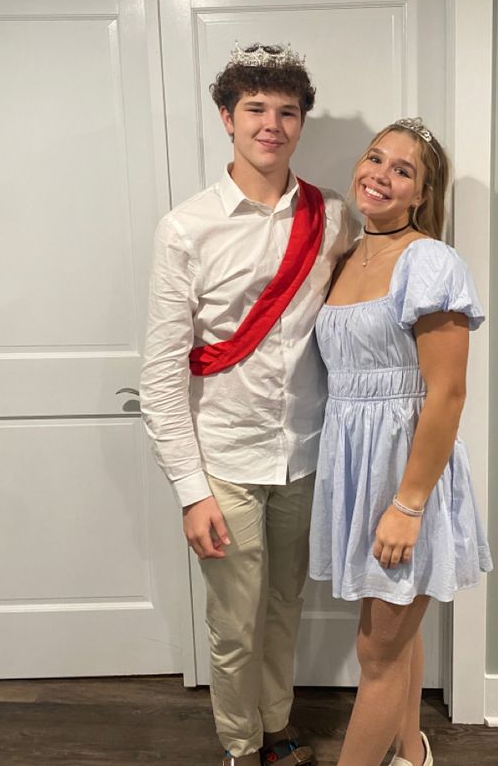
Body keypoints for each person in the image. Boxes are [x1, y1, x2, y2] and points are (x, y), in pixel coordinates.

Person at [140, 43, 358, 766]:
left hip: (302, 452)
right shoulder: (186, 228)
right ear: (227, 117)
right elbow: (163, 373)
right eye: (256, 109)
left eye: (287, 111)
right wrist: (189, 489)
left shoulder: (331, 219)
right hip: (224, 457)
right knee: (236, 621)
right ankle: (240, 745)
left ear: (301, 123)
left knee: (284, 606)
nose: (272, 124)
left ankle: (276, 726)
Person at [309, 117, 492, 766]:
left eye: (402, 169)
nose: (380, 175)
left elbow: (446, 394)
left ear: (420, 193)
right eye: (375, 158)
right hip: (356, 469)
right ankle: (410, 753)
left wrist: (408, 504)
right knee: (395, 628)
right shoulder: (343, 257)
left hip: (405, 475)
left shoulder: (430, 261)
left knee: (377, 651)